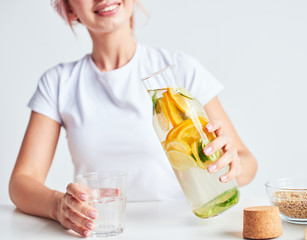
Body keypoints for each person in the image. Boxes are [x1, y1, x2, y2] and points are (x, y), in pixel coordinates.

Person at [9, 0, 258, 237]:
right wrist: (59, 207)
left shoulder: (180, 70)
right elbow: (22, 182)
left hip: (183, 227)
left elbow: (248, 164)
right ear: (70, 9)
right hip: (101, 227)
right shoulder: (59, 83)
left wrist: (230, 164)